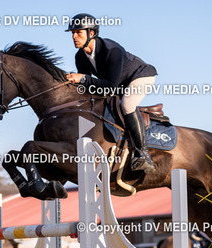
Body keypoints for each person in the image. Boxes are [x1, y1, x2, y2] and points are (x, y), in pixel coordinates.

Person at [65, 13, 157, 173]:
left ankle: (143, 154)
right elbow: (88, 89)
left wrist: (83, 78)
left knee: (127, 104)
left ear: (91, 33)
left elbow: (110, 87)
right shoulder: (80, 57)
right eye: (72, 33)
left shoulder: (112, 50)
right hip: (118, 83)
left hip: (140, 76)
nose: (74, 37)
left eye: (78, 32)